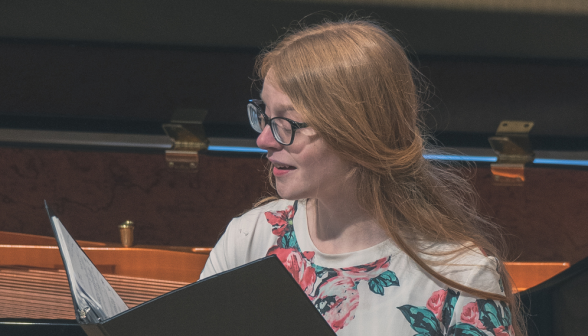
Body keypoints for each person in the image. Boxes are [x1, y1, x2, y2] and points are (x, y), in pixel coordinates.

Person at [201, 19, 524, 335]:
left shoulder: (459, 275)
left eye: (287, 123)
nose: (264, 140)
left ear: (355, 131)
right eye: (265, 116)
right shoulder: (251, 237)